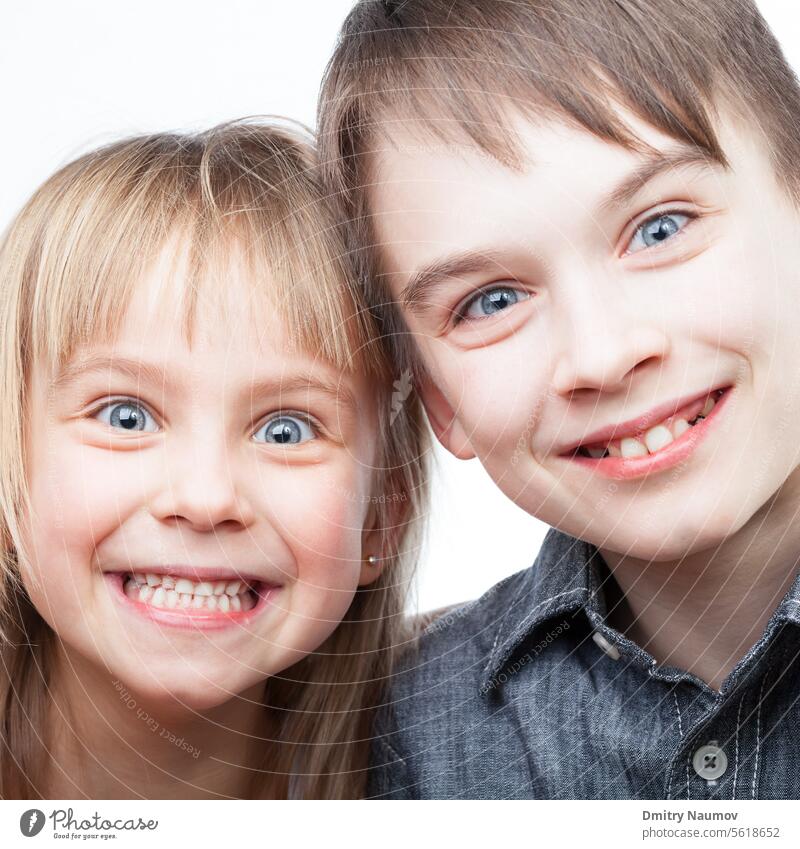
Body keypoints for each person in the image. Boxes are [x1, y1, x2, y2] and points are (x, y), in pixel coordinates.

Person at [317, 0, 800, 798]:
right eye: (492, 301)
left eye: (661, 227)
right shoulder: (403, 745)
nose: (602, 355)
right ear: (437, 398)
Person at [0, 119, 428, 799]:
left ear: (384, 512)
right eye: (126, 416)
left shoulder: (475, 760)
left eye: (286, 429)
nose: (204, 498)